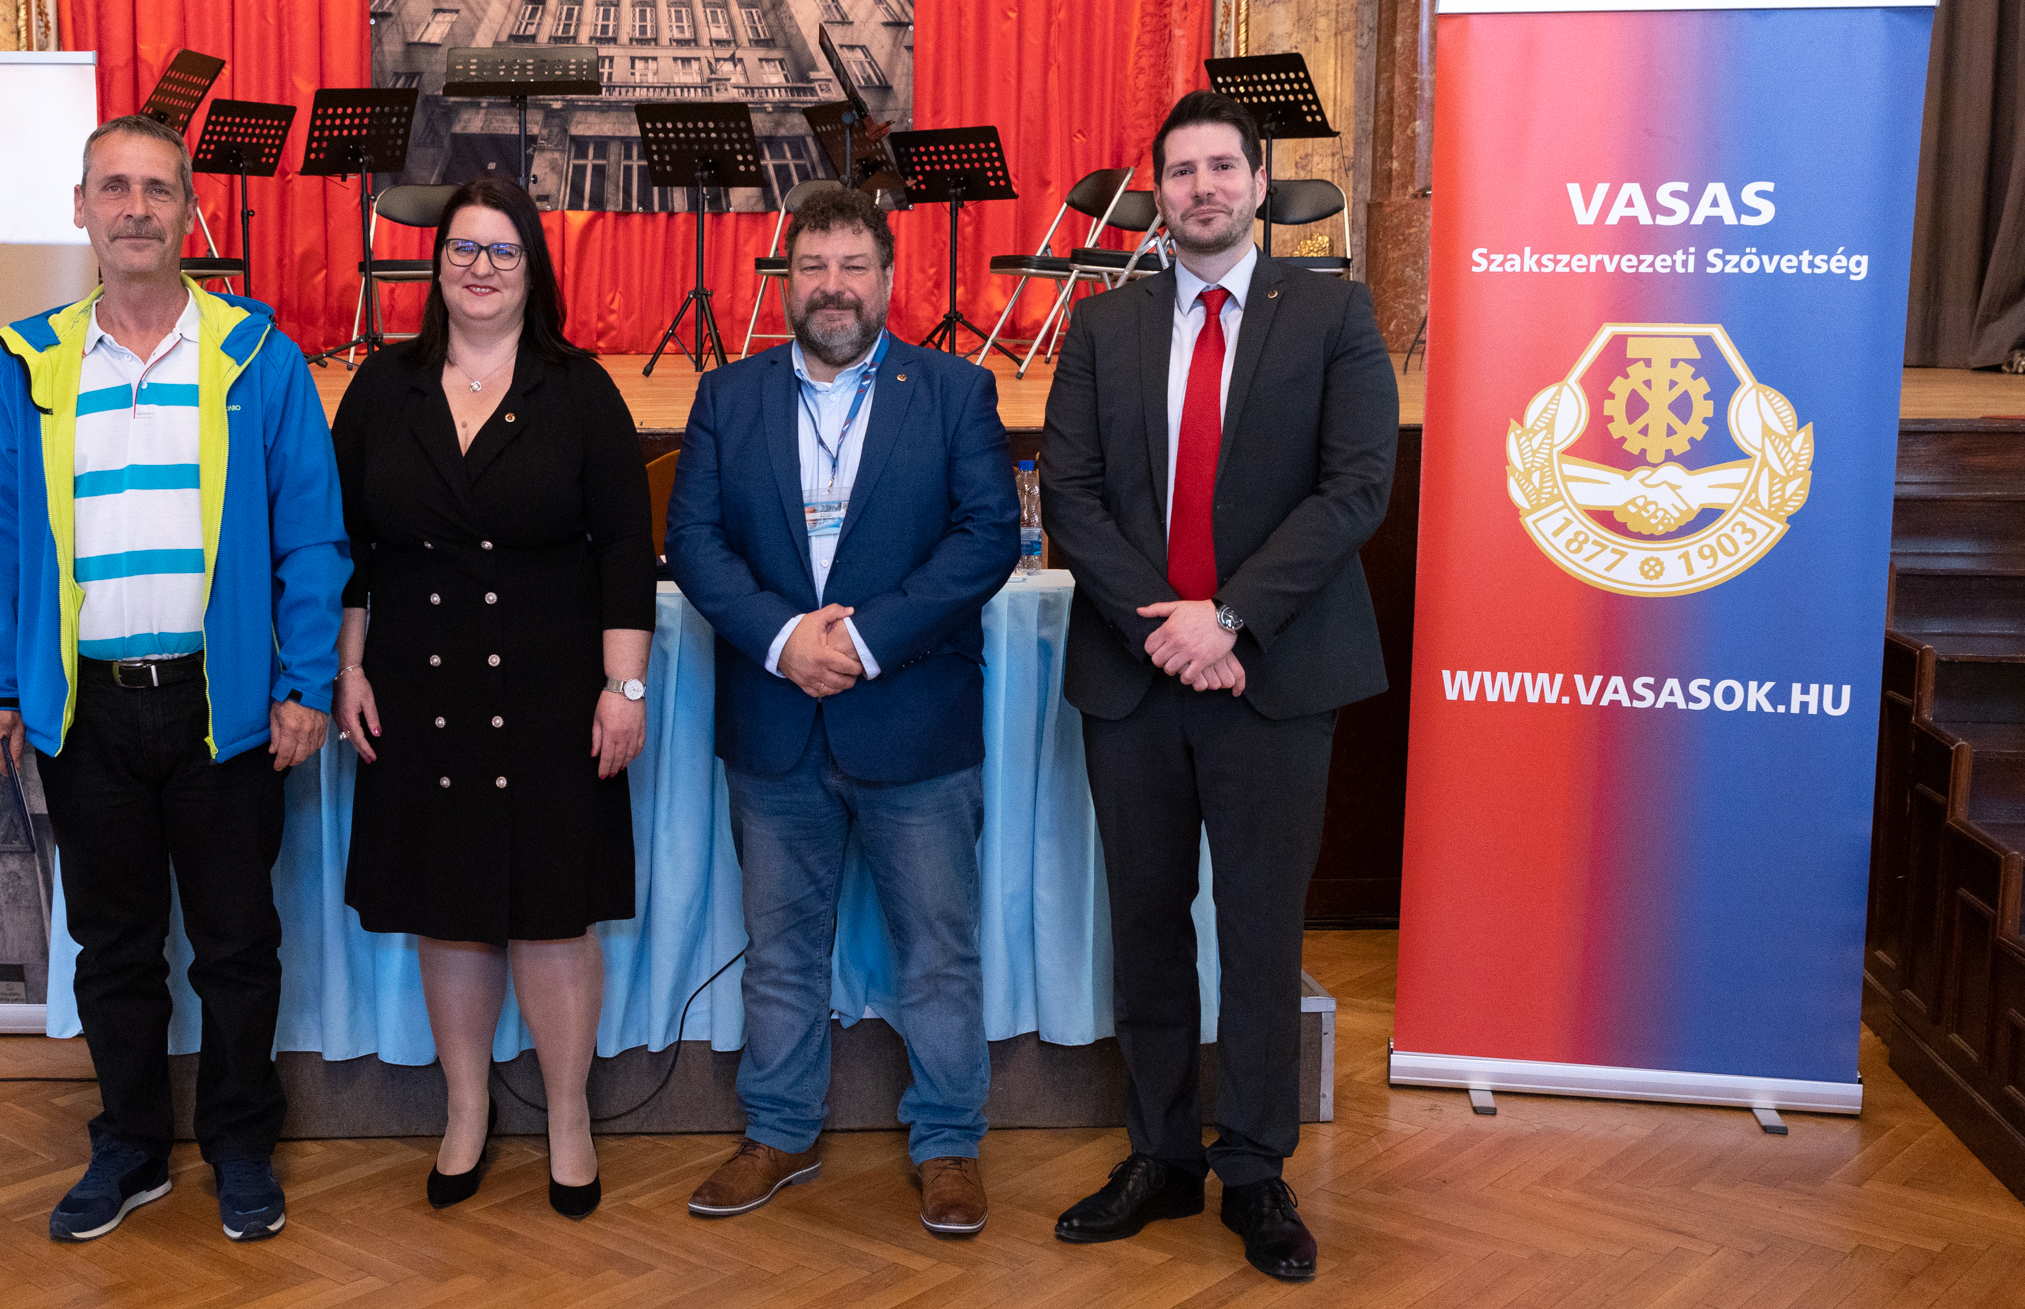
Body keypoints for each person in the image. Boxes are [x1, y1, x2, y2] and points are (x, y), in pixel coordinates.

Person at [0, 113, 349, 1243]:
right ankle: (130, 1146)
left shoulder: (256, 356)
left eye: (158, 189)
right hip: (84, 710)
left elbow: (312, 536)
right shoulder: (29, 365)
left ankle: (239, 1144)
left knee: (237, 946)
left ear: (190, 212)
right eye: (115, 188)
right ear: (80, 209)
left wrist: (305, 683)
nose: (136, 208)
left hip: (222, 707)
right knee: (115, 948)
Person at [1040, 89, 1398, 1282]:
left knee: (1258, 928)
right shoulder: (1105, 324)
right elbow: (1072, 494)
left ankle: (1253, 1166)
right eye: (1182, 171)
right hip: (1137, 676)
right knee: (1145, 926)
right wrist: (1170, 628)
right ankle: (1158, 1155)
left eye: (1222, 168)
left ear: (1258, 183)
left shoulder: (1334, 314)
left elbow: (1356, 487)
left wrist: (1229, 618)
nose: (1202, 188)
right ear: (1160, 193)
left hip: (1273, 676)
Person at [665, 185, 1017, 1235]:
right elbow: (694, 543)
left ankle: (949, 1144)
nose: (832, 286)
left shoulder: (954, 391)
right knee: (780, 953)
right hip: (776, 725)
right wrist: (784, 640)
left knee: (938, 952)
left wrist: (863, 642)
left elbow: (986, 536)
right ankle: (779, 1132)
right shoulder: (728, 397)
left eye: (853, 265)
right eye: (812, 266)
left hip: (914, 718)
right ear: (784, 281)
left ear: (888, 279)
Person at [330, 175, 654, 1221]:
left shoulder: (579, 389)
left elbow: (625, 551)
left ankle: (567, 1117)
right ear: (436, 266)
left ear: (532, 269)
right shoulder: (384, 386)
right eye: (463, 249)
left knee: (555, 916)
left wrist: (624, 688)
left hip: (554, 696)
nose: (480, 267)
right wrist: (348, 668)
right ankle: (465, 1110)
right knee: (450, 912)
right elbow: (349, 547)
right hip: (419, 691)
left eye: (502, 250)